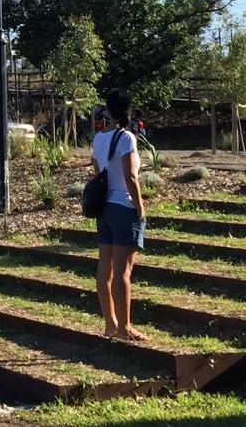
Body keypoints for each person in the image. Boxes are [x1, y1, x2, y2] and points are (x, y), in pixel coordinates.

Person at [91, 88, 146, 341]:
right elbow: (130, 176)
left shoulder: (99, 138)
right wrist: (140, 207)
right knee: (124, 271)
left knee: (105, 267)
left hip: (103, 208)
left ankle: (110, 324)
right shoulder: (127, 138)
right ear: (129, 110)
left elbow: (98, 172)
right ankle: (125, 327)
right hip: (123, 206)